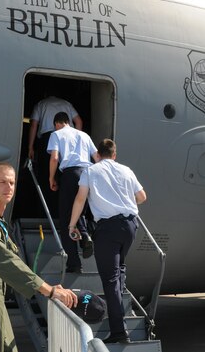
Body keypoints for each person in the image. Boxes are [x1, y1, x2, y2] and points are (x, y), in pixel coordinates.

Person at [0, 162, 77, 352]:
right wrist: (48, 290)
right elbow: (4, 260)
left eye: (12, 183)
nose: (8, 187)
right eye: (2, 182)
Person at [68, 139, 147, 344]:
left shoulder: (91, 171)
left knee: (110, 280)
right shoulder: (127, 170)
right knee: (119, 270)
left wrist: (72, 225)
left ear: (97, 155)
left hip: (108, 229)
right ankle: (121, 310)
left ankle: (119, 332)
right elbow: (142, 197)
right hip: (130, 226)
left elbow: (80, 198)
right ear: (114, 154)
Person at [47, 112, 99, 273]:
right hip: (88, 173)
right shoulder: (84, 135)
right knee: (79, 212)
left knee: (66, 219)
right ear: (69, 121)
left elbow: (54, 158)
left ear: (56, 123)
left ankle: (74, 264)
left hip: (70, 174)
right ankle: (85, 235)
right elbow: (97, 157)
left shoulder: (56, 134)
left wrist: (51, 178)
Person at [28, 92, 82, 217]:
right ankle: (64, 213)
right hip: (68, 140)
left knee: (45, 177)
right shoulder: (67, 104)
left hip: (47, 138)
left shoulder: (41, 104)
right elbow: (79, 121)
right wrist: (76, 137)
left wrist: (30, 147)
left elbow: (34, 125)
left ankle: (44, 213)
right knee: (66, 174)